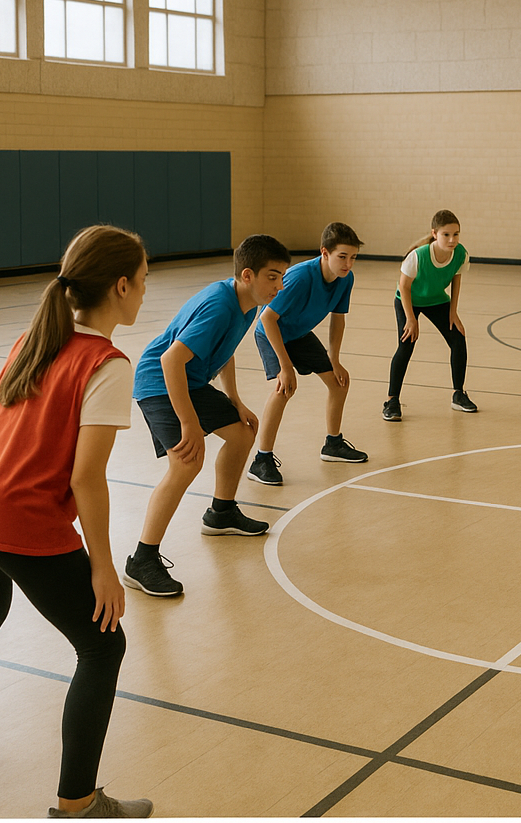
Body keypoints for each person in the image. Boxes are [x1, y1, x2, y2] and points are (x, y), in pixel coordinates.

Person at [0, 226, 152, 818]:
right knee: (103, 647)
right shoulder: (107, 363)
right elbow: (86, 478)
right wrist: (103, 566)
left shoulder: (35, 336)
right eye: (143, 282)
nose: (144, 292)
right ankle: (78, 806)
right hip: (17, 516)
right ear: (121, 286)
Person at [124, 235, 290, 598]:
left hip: (192, 380)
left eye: (282, 277)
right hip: (159, 383)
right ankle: (142, 559)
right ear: (248, 275)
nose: (279, 286)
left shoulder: (247, 302)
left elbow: (224, 350)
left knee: (243, 432)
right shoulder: (219, 305)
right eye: (273, 277)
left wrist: (234, 400)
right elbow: (170, 360)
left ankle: (221, 513)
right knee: (186, 463)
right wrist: (189, 423)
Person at [247, 222, 369, 486]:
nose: (348, 264)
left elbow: (338, 320)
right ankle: (261, 460)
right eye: (342, 257)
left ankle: (333, 445)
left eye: (353, 258)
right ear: (324, 253)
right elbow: (267, 319)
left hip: (299, 333)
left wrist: (334, 359)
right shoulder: (301, 277)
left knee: (339, 383)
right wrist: (285, 365)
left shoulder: (345, 279)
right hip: (272, 333)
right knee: (284, 388)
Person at [384, 210, 476, 420]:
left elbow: (456, 279)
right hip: (409, 300)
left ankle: (458, 395)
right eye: (446, 234)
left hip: (435, 299)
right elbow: (404, 287)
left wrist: (453, 313)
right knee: (406, 343)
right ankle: (391, 401)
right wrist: (410, 319)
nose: (452, 239)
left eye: (456, 234)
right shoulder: (418, 256)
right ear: (435, 233)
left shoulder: (461, 254)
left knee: (458, 338)